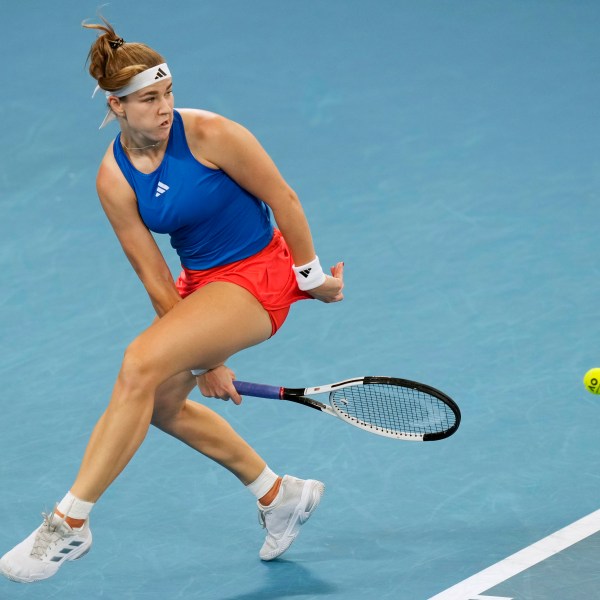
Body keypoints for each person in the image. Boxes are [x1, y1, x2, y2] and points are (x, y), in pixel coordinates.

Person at [0, 16, 344, 584]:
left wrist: (310, 277)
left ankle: (69, 524)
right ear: (116, 107)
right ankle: (279, 495)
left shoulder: (209, 132)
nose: (163, 109)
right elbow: (155, 276)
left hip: (260, 274)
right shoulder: (113, 179)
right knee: (157, 403)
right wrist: (207, 359)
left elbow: (282, 196)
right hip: (199, 288)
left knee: (137, 363)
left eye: (167, 94)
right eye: (147, 100)